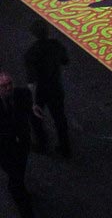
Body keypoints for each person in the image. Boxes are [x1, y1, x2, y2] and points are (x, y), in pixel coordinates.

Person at [24, 21, 70, 158]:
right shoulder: (56, 45)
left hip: (41, 90)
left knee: (35, 116)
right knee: (59, 117)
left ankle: (42, 143)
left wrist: (32, 101)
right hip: (56, 87)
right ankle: (65, 147)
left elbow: (31, 80)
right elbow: (65, 61)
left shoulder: (31, 53)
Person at [0, 71, 37, 217]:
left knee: (19, 171)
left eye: (9, 84)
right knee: (15, 176)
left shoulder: (22, 94)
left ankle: (18, 187)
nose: (8, 88)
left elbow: (30, 108)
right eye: (3, 86)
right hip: (4, 148)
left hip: (22, 143)